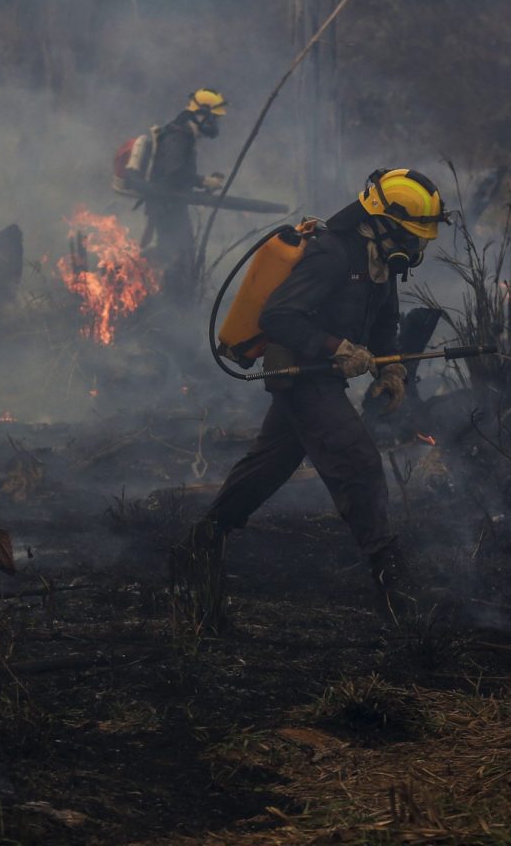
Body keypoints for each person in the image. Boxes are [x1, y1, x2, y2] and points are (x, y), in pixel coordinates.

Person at [173, 168, 448, 627]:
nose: (416, 249)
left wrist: (392, 368)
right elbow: (278, 316)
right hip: (301, 374)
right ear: (382, 221)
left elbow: (383, 323)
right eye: (410, 235)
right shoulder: (331, 254)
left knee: (269, 466)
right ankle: (396, 589)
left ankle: (197, 546)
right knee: (358, 462)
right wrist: (336, 348)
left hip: (322, 376)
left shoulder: (380, 258)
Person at [121, 88, 227, 294]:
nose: (215, 123)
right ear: (202, 113)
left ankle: (160, 291)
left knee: (178, 252)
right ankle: (159, 293)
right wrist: (204, 181)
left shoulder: (184, 133)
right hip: (165, 206)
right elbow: (173, 173)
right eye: (213, 117)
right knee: (177, 255)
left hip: (169, 205)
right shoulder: (179, 136)